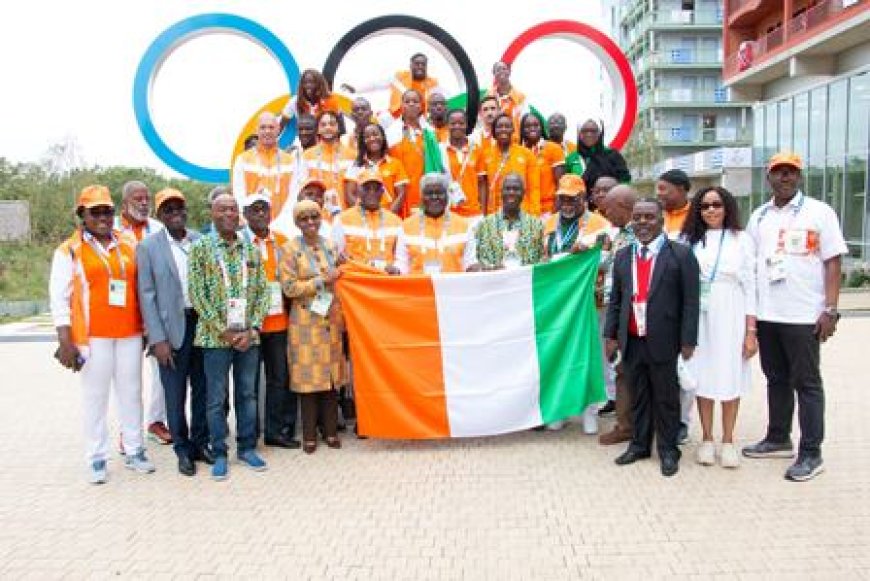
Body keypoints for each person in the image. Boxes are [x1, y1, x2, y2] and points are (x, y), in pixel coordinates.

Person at [742, 152, 848, 482]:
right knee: (776, 379)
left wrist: (829, 309)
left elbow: (833, 262)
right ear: (768, 177)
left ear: (799, 176)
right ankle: (777, 437)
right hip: (769, 314)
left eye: (791, 172)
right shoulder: (759, 216)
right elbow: (750, 263)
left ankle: (811, 453)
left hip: (804, 315)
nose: (785, 177)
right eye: (778, 172)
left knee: (807, 383)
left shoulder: (819, 212)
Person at [50, 185, 155, 483]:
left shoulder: (128, 244)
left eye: (107, 211)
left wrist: (146, 328)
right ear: (82, 215)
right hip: (92, 337)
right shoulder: (69, 250)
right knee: (95, 397)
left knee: (132, 394)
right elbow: (59, 298)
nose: (103, 217)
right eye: (95, 212)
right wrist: (65, 340)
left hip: (129, 333)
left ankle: (135, 450)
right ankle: (97, 457)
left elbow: (141, 288)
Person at [604, 198, 700, 477]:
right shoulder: (624, 256)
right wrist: (611, 334)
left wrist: (688, 340)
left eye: (649, 217)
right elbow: (616, 301)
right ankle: (639, 445)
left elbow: (691, 302)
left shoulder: (680, 255)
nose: (643, 222)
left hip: (665, 339)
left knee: (666, 398)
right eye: (638, 217)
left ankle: (669, 450)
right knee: (639, 395)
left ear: (661, 220)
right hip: (633, 338)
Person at [188, 193, 270, 481]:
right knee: (216, 398)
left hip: (249, 338)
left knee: (247, 394)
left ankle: (247, 448)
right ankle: (219, 452)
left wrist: (254, 329)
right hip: (214, 339)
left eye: (233, 210)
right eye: (222, 209)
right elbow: (197, 294)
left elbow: (262, 291)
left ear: (240, 215)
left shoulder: (251, 249)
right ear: (212, 213)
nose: (229, 214)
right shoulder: (200, 249)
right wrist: (222, 330)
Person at [679, 186, 757, 469]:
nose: (711, 210)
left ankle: (728, 441)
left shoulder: (742, 240)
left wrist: (751, 331)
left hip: (732, 310)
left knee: (730, 374)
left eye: (717, 204)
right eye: (705, 206)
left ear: (727, 207)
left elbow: (751, 286)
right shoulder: (689, 240)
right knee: (703, 376)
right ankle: (707, 439)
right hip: (699, 314)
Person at [136, 188, 212, 476]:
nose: (175, 213)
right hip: (170, 332)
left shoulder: (199, 240)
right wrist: (157, 339)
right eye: (168, 209)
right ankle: (182, 449)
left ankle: (201, 442)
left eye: (179, 207)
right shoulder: (148, 247)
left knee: (203, 390)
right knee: (175, 394)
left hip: (201, 326)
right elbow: (147, 296)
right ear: (160, 215)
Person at [543, 173, 612, 433]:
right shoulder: (548, 223)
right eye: (563, 199)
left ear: (584, 198)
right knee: (559, 352)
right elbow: (543, 258)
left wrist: (585, 255)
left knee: (590, 354)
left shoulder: (600, 223)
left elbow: (607, 259)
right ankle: (560, 408)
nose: (567, 204)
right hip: (558, 302)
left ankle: (590, 410)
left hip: (589, 301)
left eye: (573, 199)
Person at [280, 199, 348, 454]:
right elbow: (288, 287)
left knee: (330, 379)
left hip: (330, 318)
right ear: (296, 223)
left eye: (314, 217)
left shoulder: (330, 246)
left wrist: (342, 266)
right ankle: (309, 434)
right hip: (305, 321)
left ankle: (330, 431)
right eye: (304, 218)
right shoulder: (289, 249)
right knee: (308, 380)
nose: (310, 223)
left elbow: (343, 274)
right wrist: (320, 281)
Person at [114, 180, 171, 447]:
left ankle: (156, 421)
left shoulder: (158, 229)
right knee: (129, 376)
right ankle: (129, 430)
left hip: (156, 312)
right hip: (125, 313)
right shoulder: (111, 230)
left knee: (161, 371)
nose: (144, 202)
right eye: (138, 198)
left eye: (147, 198)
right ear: (125, 203)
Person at [241, 194, 300, 450]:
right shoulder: (239, 243)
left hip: (279, 322)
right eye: (255, 210)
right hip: (250, 323)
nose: (261, 214)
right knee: (249, 382)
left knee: (279, 379)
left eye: (264, 209)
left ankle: (276, 431)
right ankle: (249, 434)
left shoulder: (282, 242)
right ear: (245, 214)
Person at [598, 185, 638, 445]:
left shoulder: (639, 236)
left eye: (609, 208)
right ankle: (626, 425)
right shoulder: (620, 235)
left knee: (629, 370)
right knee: (622, 370)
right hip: (618, 311)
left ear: (623, 206)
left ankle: (631, 426)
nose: (605, 212)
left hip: (633, 313)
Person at [395, 173, 479, 274]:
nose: (434, 197)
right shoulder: (406, 227)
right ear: (421, 197)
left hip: (453, 288)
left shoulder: (464, 226)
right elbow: (402, 264)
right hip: (419, 288)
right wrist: (396, 270)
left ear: (447, 196)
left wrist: (476, 268)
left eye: (439, 193)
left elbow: (469, 262)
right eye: (429, 193)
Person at [332, 171, 402, 274]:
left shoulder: (396, 221)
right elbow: (334, 255)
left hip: (386, 281)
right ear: (359, 191)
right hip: (357, 281)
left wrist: (396, 268)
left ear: (382, 192)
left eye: (376, 189)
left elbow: (401, 259)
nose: (372, 192)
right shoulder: (342, 219)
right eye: (367, 188)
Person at [233, 112, 296, 221]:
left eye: (271, 127)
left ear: (278, 130)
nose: (267, 131)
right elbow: (239, 195)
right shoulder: (242, 160)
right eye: (263, 127)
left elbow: (294, 195)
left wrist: (284, 222)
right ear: (256, 130)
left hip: (284, 225)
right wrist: (248, 220)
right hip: (253, 224)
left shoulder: (290, 161)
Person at [341, 53, 443, 119]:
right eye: (417, 64)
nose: (420, 67)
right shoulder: (399, 76)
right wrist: (355, 89)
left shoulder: (433, 83)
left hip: (420, 119)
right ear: (411, 65)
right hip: (394, 116)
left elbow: (443, 102)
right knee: (380, 121)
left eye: (423, 64)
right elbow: (376, 84)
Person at [475, 172, 544, 270]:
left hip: (525, 283)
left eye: (516, 189)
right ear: (501, 192)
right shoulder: (484, 225)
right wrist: (492, 268)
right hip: (495, 282)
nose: (511, 192)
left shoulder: (537, 225)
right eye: (507, 189)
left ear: (523, 193)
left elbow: (541, 262)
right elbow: (478, 261)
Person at [387, 89, 436, 218]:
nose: (411, 104)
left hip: (424, 192)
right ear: (401, 105)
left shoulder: (430, 133)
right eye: (407, 101)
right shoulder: (391, 133)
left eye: (415, 101)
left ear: (421, 106)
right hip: (399, 192)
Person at [344, 122, 409, 214]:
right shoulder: (356, 165)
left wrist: (388, 215)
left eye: (375, 134)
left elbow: (401, 194)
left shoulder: (395, 163)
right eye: (367, 137)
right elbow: (349, 194)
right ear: (363, 141)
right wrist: (362, 215)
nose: (372, 139)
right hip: (363, 219)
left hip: (388, 218)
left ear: (383, 136)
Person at [301, 110, 356, 216]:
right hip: (316, 219)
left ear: (338, 128)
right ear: (317, 129)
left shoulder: (352, 156)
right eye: (323, 124)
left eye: (332, 124)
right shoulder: (307, 156)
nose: (328, 127)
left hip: (346, 217)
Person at [483, 113, 539, 216]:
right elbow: (484, 189)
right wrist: (485, 216)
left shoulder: (526, 154)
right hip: (494, 215)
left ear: (513, 129)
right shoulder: (485, 155)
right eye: (499, 126)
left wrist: (534, 215)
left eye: (507, 126)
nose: (503, 129)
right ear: (494, 131)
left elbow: (534, 188)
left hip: (522, 214)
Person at [441, 108, 488, 218]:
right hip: (449, 213)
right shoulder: (440, 150)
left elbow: (482, 183)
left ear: (466, 125)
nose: (457, 126)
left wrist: (483, 212)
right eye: (453, 123)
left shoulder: (476, 149)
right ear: (447, 125)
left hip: (473, 213)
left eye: (461, 123)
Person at [565, 119, 630, 192]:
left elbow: (625, 181)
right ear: (579, 134)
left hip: (608, 201)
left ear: (600, 133)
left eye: (593, 131)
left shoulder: (612, 155)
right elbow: (566, 186)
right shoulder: (571, 158)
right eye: (584, 131)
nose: (589, 134)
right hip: (581, 202)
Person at [520, 113, 565, 216]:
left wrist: (554, 213)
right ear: (522, 129)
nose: (532, 128)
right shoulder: (518, 152)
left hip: (547, 210)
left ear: (542, 127)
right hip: (524, 211)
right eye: (527, 126)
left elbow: (561, 184)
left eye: (536, 125)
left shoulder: (554, 148)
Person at [279, 68, 344, 132]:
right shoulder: (295, 101)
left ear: (319, 84)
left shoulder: (331, 99)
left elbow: (341, 128)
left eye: (312, 82)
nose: (308, 85)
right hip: (306, 139)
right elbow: (281, 125)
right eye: (305, 82)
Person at [486, 61, 528, 137]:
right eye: (498, 69)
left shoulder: (520, 97)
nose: (502, 71)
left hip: (515, 140)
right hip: (493, 140)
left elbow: (525, 121)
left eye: (504, 69)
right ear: (494, 74)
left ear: (509, 72)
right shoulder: (489, 95)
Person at [656, 169, 692, 239]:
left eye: (662, 189)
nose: (658, 193)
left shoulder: (697, 215)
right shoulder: (656, 214)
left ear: (680, 189)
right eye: (657, 189)